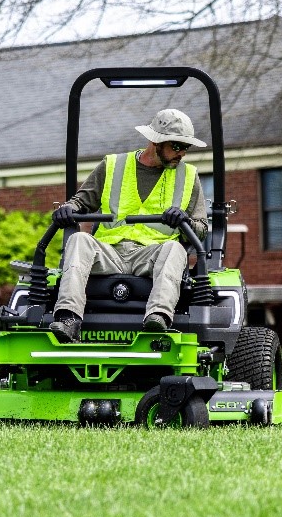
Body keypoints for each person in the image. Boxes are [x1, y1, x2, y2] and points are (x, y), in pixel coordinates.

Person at [48, 108, 209, 343]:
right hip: (109, 252)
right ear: (155, 141)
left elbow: (201, 229)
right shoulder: (113, 165)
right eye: (176, 146)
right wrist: (69, 209)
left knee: (175, 250)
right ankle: (68, 318)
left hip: (152, 255)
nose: (182, 153)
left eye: (186, 147)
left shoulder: (189, 176)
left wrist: (184, 220)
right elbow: (81, 201)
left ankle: (158, 317)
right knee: (78, 240)